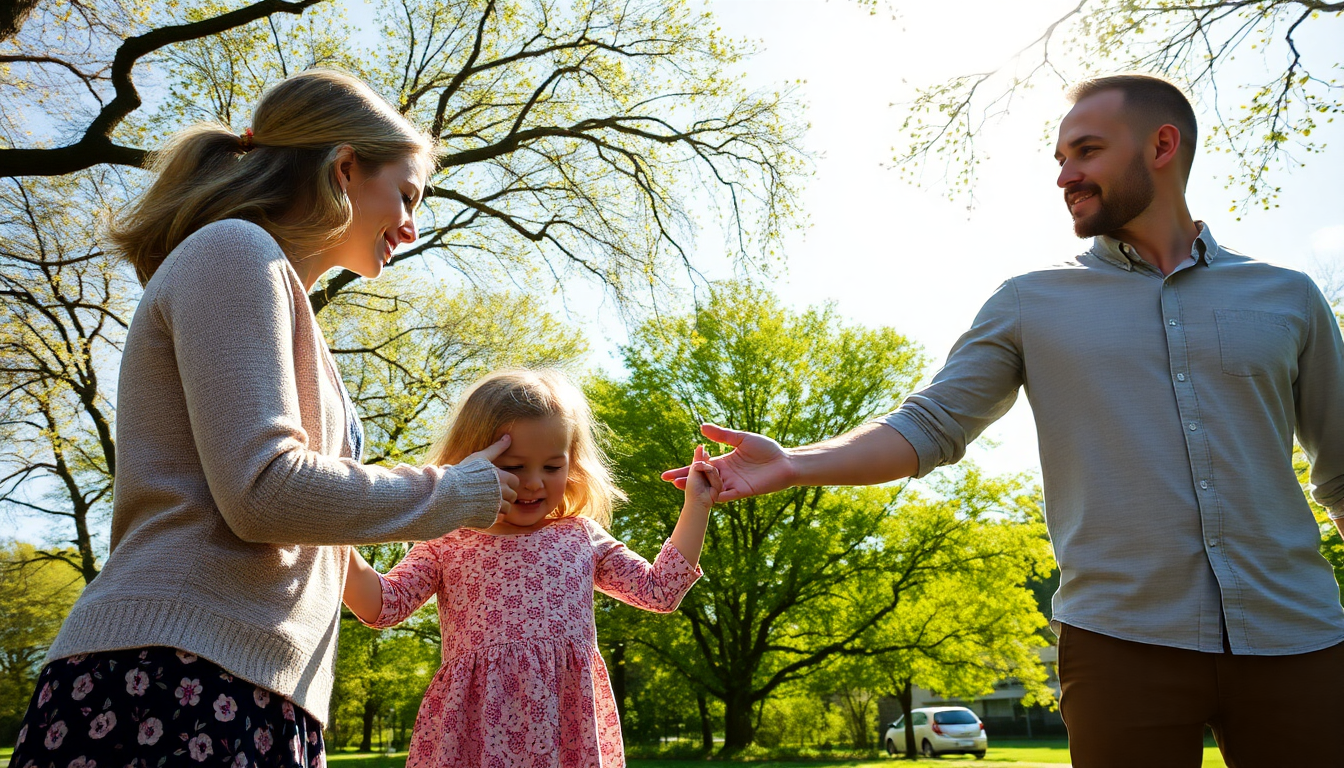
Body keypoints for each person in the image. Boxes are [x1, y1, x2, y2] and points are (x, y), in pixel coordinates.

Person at [663, 74, 1344, 768]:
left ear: (1162, 145)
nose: (1064, 176)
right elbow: (930, 425)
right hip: (1120, 644)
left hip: (1298, 639)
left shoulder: (1288, 297)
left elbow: (1343, 474)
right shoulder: (1030, 301)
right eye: (1059, 159)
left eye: (1085, 151)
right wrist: (797, 462)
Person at [8, 70, 519, 766]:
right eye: (405, 195)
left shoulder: (273, 287)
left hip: (248, 686)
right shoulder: (235, 251)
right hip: (173, 676)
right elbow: (265, 492)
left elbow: (305, 528)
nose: (411, 223)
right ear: (344, 169)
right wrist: (454, 492)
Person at [342, 369, 720, 767]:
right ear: (471, 462)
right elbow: (382, 606)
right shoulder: (448, 540)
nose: (534, 483)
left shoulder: (580, 537)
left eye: (552, 468)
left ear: (572, 466)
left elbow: (659, 590)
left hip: (567, 732)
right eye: (515, 467)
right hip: (476, 737)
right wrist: (327, 530)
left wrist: (697, 504)